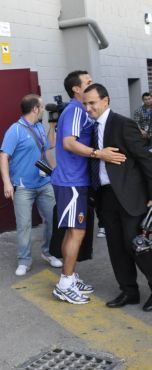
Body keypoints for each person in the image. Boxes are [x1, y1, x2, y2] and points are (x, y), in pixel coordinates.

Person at [51, 71, 125, 305]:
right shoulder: (74, 110)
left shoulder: (79, 111)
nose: (92, 85)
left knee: (73, 231)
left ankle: (69, 277)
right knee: (77, 232)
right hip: (72, 181)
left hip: (76, 181)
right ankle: (65, 283)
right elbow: (68, 142)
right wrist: (98, 153)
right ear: (76, 89)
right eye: (88, 82)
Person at [83, 83, 152, 312]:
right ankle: (129, 292)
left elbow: (145, 159)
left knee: (137, 246)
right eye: (85, 104)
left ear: (105, 101)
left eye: (92, 103)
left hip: (131, 196)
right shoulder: (90, 130)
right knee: (116, 248)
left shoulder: (123, 124)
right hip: (106, 197)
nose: (88, 108)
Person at [0, 94, 62, 276]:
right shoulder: (15, 130)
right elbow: (3, 156)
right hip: (23, 186)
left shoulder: (39, 127)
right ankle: (24, 260)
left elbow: (50, 146)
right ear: (35, 108)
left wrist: (51, 125)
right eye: (41, 107)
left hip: (44, 183)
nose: (42, 109)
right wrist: (6, 183)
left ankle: (49, 252)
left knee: (53, 219)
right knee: (24, 224)